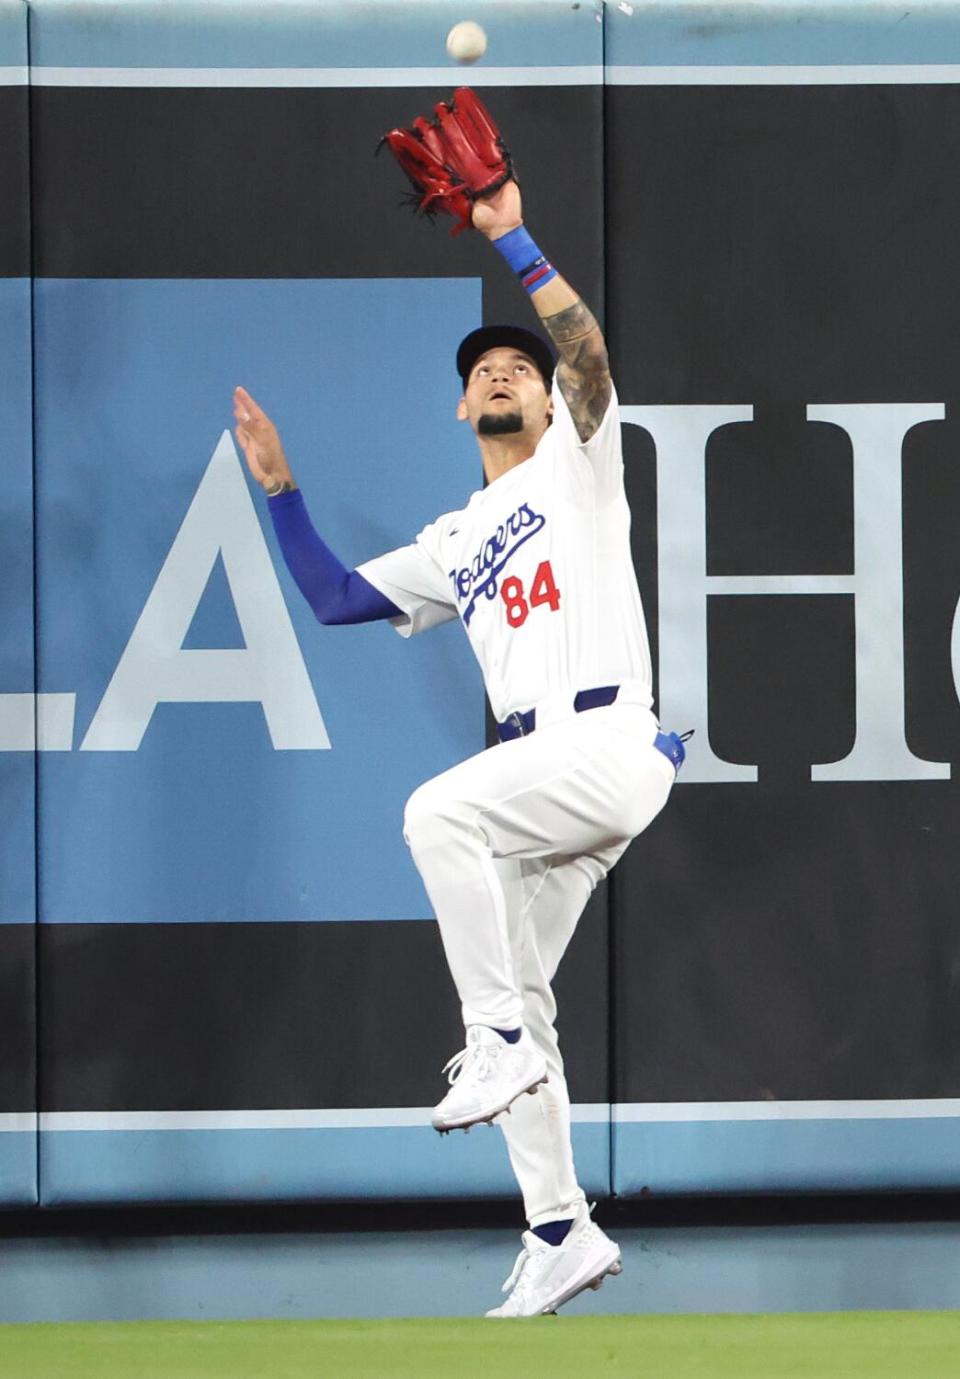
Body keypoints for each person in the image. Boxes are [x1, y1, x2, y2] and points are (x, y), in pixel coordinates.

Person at [232, 176, 684, 1318]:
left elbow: (585, 356)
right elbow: (336, 598)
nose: (504, 371)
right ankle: (559, 1228)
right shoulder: (454, 535)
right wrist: (281, 490)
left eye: (519, 368)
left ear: (546, 402)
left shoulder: (576, 466)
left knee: (439, 812)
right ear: (458, 409)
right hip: (556, 777)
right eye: (484, 368)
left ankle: (488, 1043)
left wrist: (512, 239)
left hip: (604, 737)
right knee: (525, 992)